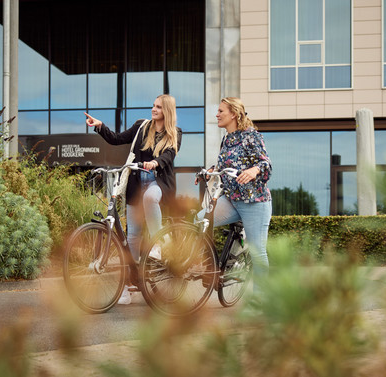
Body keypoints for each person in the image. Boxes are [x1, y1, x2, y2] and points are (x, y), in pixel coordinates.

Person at [85, 94, 182, 304]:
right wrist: (100, 126)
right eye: (153, 105)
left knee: (150, 197)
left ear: (167, 111)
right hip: (136, 185)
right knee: (132, 239)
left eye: (158, 107)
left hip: (158, 184)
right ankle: (129, 284)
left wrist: (155, 163)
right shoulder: (141, 127)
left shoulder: (175, 133)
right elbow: (117, 139)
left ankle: (159, 244)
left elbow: (169, 156)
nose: (153, 109)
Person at [197, 97, 272, 292]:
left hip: (255, 202)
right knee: (200, 220)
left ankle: (261, 299)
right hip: (231, 200)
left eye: (221, 111)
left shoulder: (251, 136)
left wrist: (253, 171)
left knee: (258, 252)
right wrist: (209, 171)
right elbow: (223, 167)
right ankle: (213, 266)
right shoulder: (227, 139)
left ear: (234, 114)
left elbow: (266, 164)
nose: (217, 114)